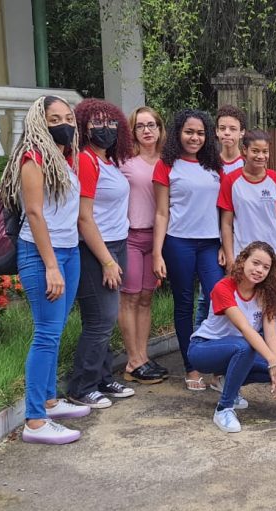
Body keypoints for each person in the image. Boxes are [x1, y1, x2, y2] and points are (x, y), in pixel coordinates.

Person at [0, 95, 90, 444]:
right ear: (40, 122)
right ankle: (35, 421)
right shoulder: (33, 158)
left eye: (68, 117)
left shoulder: (65, 159)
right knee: (46, 334)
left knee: (56, 328)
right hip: (42, 255)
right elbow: (35, 214)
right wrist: (51, 265)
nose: (64, 123)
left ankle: (50, 401)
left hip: (69, 251)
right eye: (55, 119)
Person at [64, 99, 135, 409]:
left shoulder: (108, 160)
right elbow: (84, 217)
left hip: (117, 243)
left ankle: (102, 377)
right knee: (100, 319)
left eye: (110, 123)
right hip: (96, 249)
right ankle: (81, 386)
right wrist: (106, 260)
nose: (104, 129)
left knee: (107, 318)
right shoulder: (86, 161)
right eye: (96, 123)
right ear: (83, 127)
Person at [152, 109, 223, 391]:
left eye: (200, 133)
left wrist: (225, 246)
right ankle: (191, 366)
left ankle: (216, 363)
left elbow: (224, 210)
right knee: (184, 304)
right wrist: (157, 253)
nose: (195, 137)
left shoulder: (214, 166)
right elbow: (160, 213)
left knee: (219, 301)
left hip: (210, 243)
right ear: (178, 133)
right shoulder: (166, 165)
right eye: (189, 132)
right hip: (178, 241)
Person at [188, 242, 276, 433]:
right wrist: (272, 363)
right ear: (243, 261)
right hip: (203, 350)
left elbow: (271, 337)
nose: (259, 270)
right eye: (256, 263)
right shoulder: (224, 287)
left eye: (266, 267)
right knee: (246, 346)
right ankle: (223, 408)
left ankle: (228, 385)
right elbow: (245, 328)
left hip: (237, 349)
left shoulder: (266, 294)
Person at [118, 106, 169, 384]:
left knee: (147, 298)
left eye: (152, 125)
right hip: (131, 236)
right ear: (133, 131)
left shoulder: (168, 160)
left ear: (160, 129)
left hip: (158, 237)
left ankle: (143, 356)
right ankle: (133, 360)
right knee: (131, 296)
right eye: (140, 126)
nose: (147, 130)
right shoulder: (124, 161)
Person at [194, 105, 248, 328]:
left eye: (232, 129)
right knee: (208, 294)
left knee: (243, 292)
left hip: (242, 238)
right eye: (223, 128)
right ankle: (200, 340)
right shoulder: (207, 164)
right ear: (215, 132)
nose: (227, 133)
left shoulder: (248, 164)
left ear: (241, 133)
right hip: (210, 237)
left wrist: (230, 244)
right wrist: (221, 245)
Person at [219, 130, 276, 280]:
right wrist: (230, 259)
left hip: (273, 257)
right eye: (255, 151)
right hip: (243, 256)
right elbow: (226, 224)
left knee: (272, 302)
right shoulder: (231, 181)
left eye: (265, 151)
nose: (261, 156)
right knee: (243, 302)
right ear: (245, 150)